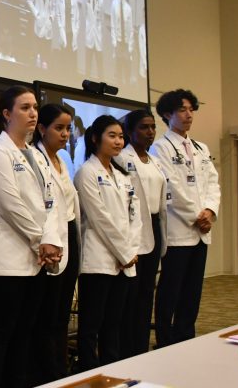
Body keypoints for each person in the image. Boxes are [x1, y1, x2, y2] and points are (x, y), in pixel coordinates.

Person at [0, 86, 63, 387]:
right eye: (25, 107)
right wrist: (43, 240)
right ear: (6, 114)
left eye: (35, 107)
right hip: (4, 262)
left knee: (24, 334)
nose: (33, 113)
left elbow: (51, 202)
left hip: (35, 261)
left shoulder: (36, 155)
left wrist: (49, 240)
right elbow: (11, 206)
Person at [150, 89, 220, 347]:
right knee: (171, 289)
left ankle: (185, 336)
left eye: (191, 109)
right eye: (182, 110)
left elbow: (213, 183)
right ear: (167, 114)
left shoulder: (201, 148)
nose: (188, 114)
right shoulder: (160, 148)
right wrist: (197, 216)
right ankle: (165, 340)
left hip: (201, 232)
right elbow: (171, 188)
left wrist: (210, 211)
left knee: (192, 290)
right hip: (178, 231)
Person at [74, 115, 142, 372]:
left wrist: (130, 250)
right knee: (92, 323)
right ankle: (89, 370)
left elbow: (134, 216)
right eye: (112, 136)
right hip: (99, 259)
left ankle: (112, 368)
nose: (118, 141)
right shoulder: (86, 173)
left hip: (125, 260)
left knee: (114, 322)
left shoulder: (122, 175)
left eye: (121, 136)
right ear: (95, 138)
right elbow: (99, 218)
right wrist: (124, 252)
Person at [30, 103, 80, 384]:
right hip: (49, 240)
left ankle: (60, 369)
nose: (65, 134)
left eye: (68, 129)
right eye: (59, 128)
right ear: (42, 129)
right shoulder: (35, 159)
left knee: (62, 312)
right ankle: (47, 373)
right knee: (47, 314)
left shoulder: (64, 161)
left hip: (69, 235)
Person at [114, 109, 168, 357]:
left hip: (154, 226)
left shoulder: (154, 160)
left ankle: (141, 346)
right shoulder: (122, 158)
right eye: (144, 127)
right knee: (131, 294)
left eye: (153, 127)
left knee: (147, 292)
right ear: (130, 131)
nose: (150, 132)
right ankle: (127, 349)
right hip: (133, 229)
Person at [110, 0, 134, 84]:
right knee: (119, 67)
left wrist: (130, 46)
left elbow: (131, 28)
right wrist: (114, 43)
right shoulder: (114, 4)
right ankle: (119, 86)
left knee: (127, 68)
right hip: (118, 42)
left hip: (126, 43)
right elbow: (112, 24)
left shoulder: (128, 8)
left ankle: (127, 86)